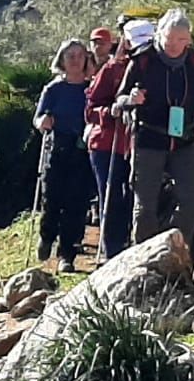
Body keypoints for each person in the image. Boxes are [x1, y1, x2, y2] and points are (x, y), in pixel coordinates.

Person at [114, 10, 194, 247]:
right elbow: (119, 99)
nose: (174, 44)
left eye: (181, 39)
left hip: (184, 139)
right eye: (169, 37)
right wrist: (131, 99)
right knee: (145, 206)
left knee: (192, 199)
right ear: (159, 34)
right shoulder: (143, 60)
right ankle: (142, 258)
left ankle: (175, 250)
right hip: (149, 139)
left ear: (189, 40)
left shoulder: (193, 62)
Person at [86, 19, 152, 261]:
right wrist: (110, 111)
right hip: (108, 143)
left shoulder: (156, 68)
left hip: (139, 143)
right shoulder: (112, 69)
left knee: (133, 195)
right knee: (112, 194)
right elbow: (90, 109)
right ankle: (111, 251)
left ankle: (128, 245)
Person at [35, 40, 98, 272]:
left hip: (82, 151)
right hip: (57, 149)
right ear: (61, 59)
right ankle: (47, 236)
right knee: (51, 199)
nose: (75, 60)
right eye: (70, 56)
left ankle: (67, 255)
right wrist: (43, 121)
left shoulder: (92, 89)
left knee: (77, 203)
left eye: (80, 56)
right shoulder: (53, 90)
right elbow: (38, 119)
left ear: (86, 59)